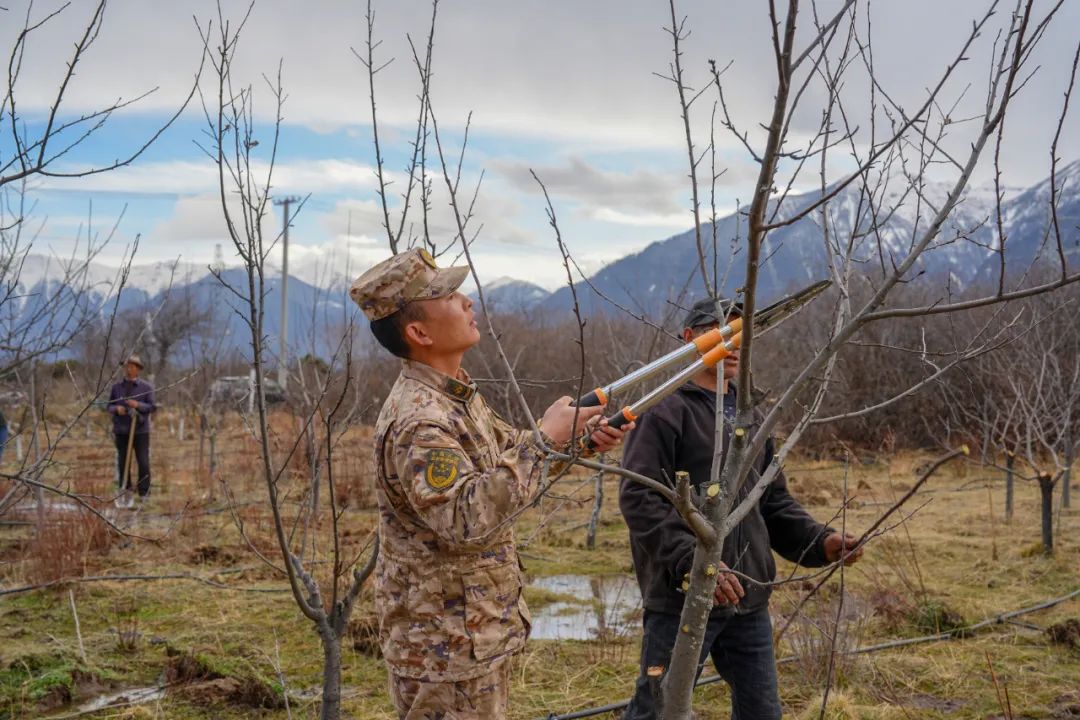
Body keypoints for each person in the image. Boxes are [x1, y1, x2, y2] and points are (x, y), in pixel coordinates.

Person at [349, 248, 633, 720]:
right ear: (418, 332)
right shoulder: (422, 420)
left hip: (469, 636)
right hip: (442, 648)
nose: (466, 302)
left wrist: (575, 442)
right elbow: (464, 516)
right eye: (447, 295)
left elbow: (507, 459)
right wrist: (544, 441)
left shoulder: (455, 394)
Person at [618, 297, 863, 720]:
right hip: (683, 601)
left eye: (741, 335)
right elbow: (639, 498)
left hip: (747, 602)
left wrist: (821, 541)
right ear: (690, 339)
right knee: (655, 713)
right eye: (721, 333)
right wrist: (693, 565)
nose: (733, 344)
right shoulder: (665, 412)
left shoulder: (752, 415)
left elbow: (771, 501)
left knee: (763, 714)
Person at [107, 355, 157, 507]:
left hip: (140, 430)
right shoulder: (117, 388)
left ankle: (144, 493)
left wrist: (138, 405)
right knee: (123, 463)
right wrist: (117, 409)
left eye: (133, 366)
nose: (129, 369)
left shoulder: (146, 387)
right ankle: (126, 492)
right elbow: (108, 406)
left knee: (143, 461)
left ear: (138, 369)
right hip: (122, 430)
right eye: (127, 366)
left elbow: (152, 407)